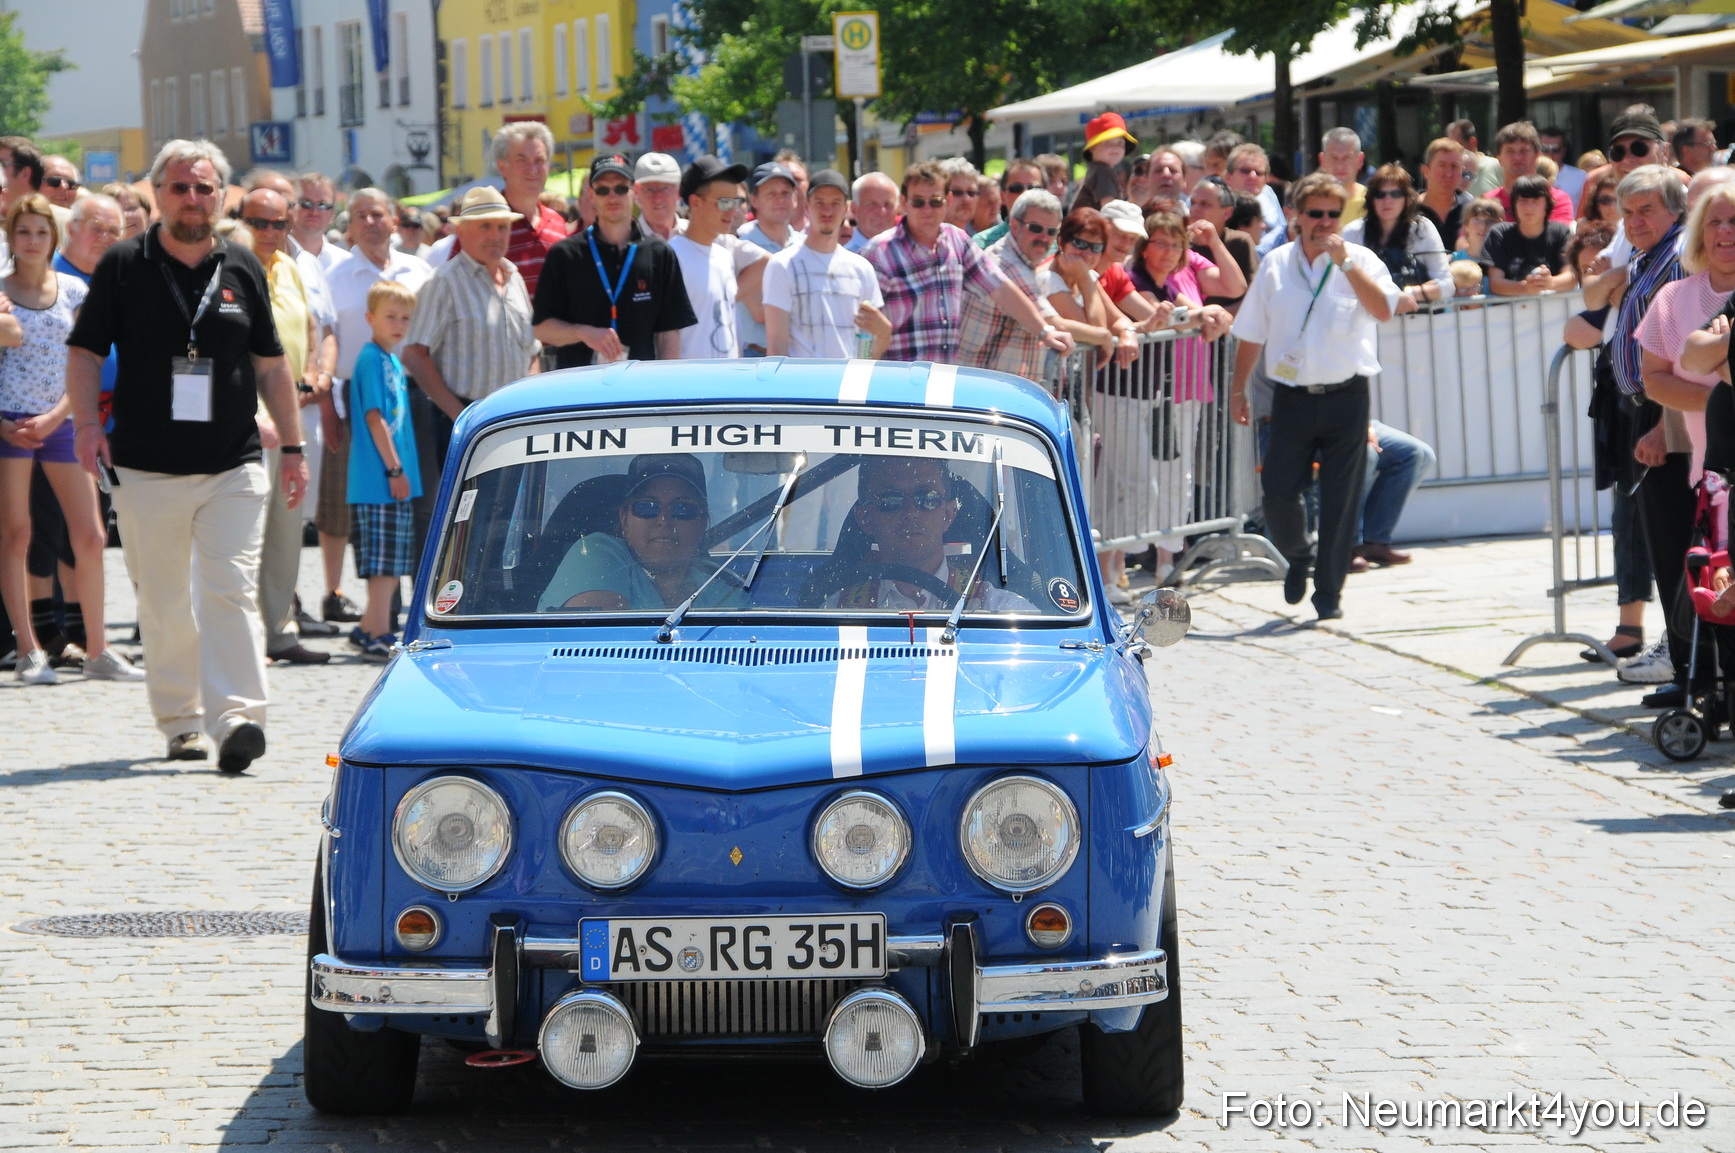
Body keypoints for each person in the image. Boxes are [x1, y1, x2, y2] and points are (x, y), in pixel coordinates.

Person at [66, 138, 308, 770]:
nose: (193, 198)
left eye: (204, 188)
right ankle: (181, 722)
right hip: (145, 467)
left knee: (230, 591)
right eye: (180, 187)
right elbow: (85, 352)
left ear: (220, 195)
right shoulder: (124, 264)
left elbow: (271, 363)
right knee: (165, 599)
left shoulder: (242, 264)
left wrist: (295, 446)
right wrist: (87, 425)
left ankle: (238, 719)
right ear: (158, 194)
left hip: (234, 463)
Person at [1230, 171, 1400, 621]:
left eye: (1332, 214)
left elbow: (1384, 310)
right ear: (1298, 216)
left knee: (1341, 499)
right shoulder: (1275, 264)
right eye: (1315, 213)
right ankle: (1298, 554)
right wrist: (1237, 389)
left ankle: (1329, 593)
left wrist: (1347, 266)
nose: (1324, 222)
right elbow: (1251, 332)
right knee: (1278, 491)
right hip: (1291, 396)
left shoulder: (1361, 259)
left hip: (1347, 396)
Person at [0, 196, 142, 684]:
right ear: (11, 238)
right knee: (17, 533)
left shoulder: (75, 289)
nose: (32, 241)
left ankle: (98, 649)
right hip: (9, 425)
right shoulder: (0, 290)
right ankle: (27, 650)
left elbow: (86, 361)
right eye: (23, 232)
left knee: (91, 535)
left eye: (41, 232)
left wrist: (60, 415)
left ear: (53, 238)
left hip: (60, 422)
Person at [321, 188, 430, 624]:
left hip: (410, 389)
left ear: (394, 220)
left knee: (411, 513)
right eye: (360, 215)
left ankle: (404, 611)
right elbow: (324, 339)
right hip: (357, 394)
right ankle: (377, 617)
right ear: (349, 225)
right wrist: (329, 404)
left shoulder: (419, 269)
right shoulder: (335, 276)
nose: (370, 222)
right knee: (368, 512)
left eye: (378, 214)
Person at [1605, 165, 1690, 701]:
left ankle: (1688, 665)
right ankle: (1686, 659)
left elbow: (1680, 352)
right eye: (1628, 213)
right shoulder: (1645, 256)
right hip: (1644, 406)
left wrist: (1662, 426)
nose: (1635, 222)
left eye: (1647, 211)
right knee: (1663, 544)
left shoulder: (1678, 257)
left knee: (1677, 545)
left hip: (1669, 413)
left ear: (1676, 211)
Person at [862, 161, 1073, 364]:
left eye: (935, 201)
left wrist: (1045, 332)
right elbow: (860, 325)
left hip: (945, 378)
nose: (927, 209)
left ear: (947, 200)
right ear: (904, 202)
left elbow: (1000, 288)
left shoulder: (957, 241)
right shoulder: (878, 253)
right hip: (896, 379)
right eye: (918, 202)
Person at [240, 186, 329, 666]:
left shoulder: (290, 266)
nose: (269, 232)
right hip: (247, 416)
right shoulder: (231, 266)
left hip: (289, 414)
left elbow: (310, 326)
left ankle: (278, 630)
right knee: (248, 532)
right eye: (259, 222)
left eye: (279, 223)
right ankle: (247, 636)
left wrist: (312, 369)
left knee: (286, 527)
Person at [400, 187, 539, 457]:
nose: (495, 235)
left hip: (515, 420)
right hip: (464, 422)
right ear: (461, 232)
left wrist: (530, 401)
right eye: (485, 226)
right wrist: (460, 416)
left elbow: (532, 349)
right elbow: (414, 354)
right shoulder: (443, 282)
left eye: (502, 227)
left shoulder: (514, 278)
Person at [533, 152, 694, 368]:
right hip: (579, 383)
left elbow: (669, 333)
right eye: (603, 190)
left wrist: (667, 381)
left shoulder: (659, 253)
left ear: (635, 191)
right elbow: (541, 328)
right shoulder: (565, 254)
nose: (612, 197)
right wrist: (582, 332)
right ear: (592, 195)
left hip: (639, 383)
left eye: (620, 188)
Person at [539, 453, 747, 611]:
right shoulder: (596, 553)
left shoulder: (723, 594)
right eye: (647, 507)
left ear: (702, 522)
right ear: (624, 518)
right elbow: (601, 642)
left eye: (682, 509)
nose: (664, 520)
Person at [825, 456, 1033, 612]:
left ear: (949, 513)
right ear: (865, 518)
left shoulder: (1003, 613)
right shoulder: (833, 613)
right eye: (890, 500)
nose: (911, 513)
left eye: (927, 498)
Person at [346, 280, 423, 657]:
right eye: (390, 316)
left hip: (394, 480)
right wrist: (394, 469)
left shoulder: (392, 359)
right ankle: (377, 632)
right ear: (370, 317)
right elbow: (374, 417)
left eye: (405, 318)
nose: (398, 324)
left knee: (393, 561)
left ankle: (367, 628)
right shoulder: (370, 359)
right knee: (383, 563)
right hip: (379, 479)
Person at [430, 123, 568, 298]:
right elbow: (455, 286)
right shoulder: (481, 225)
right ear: (502, 167)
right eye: (522, 160)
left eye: (539, 160)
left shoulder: (558, 223)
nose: (532, 169)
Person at [763, 169, 890, 359]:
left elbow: (870, 350)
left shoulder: (862, 269)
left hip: (848, 377)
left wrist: (885, 334)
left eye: (835, 203)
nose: (827, 211)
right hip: (799, 378)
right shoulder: (782, 265)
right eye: (820, 202)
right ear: (807, 206)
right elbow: (776, 347)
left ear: (846, 209)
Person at [954, 188, 1066, 381]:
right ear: (1014, 226)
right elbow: (1054, 324)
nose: (1044, 238)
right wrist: (1106, 337)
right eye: (1035, 228)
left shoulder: (1017, 260)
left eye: (1051, 231)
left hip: (990, 385)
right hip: (980, 387)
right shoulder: (1006, 264)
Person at [668, 154, 759, 360]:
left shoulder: (724, 256)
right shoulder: (672, 257)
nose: (733, 211)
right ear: (695, 203)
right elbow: (665, 336)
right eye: (724, 202)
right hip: (690, 378)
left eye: (736, 202)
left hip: (729, 376)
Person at [1343, 164, 1451, 312]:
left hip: (1419, 321)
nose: (1387, 200)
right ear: (1371, 199)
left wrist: (1408, 293)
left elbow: (1447, 286)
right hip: (1370, 322)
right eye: (1380, 194)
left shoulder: (1422, 228)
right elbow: (1343, 287)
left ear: (1407, 198)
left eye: (1395, 194)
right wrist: (1388, 298)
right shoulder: (1353, 232)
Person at [735, 161, 803, 355]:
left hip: (801, 357)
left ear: (795, 198)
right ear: (754, 200)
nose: (780, 200)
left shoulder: (805, 244)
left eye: (785, 193)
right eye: (771, 194)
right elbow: (759, 312)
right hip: (757, 356)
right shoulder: (742, 246)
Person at [1483, 176, 1574, 296]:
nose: (1529, 207)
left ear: (1547, 204)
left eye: (1536, 200)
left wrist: (1549, 282)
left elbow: (1571, 277)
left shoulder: (1561, 232)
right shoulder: (1499, 233)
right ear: (1514, 204)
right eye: (1523, 200)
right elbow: (1495, 283)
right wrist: (1526, 288)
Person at [1486, 122, 1574, 226]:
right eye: (1510, 151)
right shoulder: (1488, 201)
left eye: (1524, 151)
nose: (1517, 157)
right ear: (1499, 158)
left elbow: (1556, 234)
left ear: (1537, 155)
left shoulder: (1557, 200)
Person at [1185, 180, 1255, 309]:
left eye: (1205, 204)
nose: (1194, 208)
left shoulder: (1239, 242)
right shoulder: (1179, 244)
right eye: (1193, 202)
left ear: (1227, 213)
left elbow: (1254, 296)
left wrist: (1220, 317)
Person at [1418, 138, 1471, 255]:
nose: (1449, 173)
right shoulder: (1409, 209)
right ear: (1425, 171)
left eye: (1455, 166)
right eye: (1442, 166)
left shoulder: (1471, 209)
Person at [1072, 114, 1134, 213]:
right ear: (1093, 147)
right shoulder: (1103, 171)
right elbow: (1110, 208)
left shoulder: (1096, 169)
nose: (1115, 147)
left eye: (1120, 143)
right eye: (1108, 142)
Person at [1225, 142, 1283, 238]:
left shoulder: (1269, 195)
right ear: (1228, 177)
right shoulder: (1218, 203)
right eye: (1245, 171)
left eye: (1258, 172)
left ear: (1266, 179)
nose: (1252, 176)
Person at [291, 172, 343, 273]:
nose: (314, 212)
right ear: (292, 207)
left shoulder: (345, 264)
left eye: (322, 205)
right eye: (306, 203)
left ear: (332, 213)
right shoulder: (274, 258)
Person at [632, 152, 683, 241]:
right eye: (650, 189)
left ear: (679, 192)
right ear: (636, 193)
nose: (658, 199)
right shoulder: (625, 242)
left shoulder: (698, 236)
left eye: (665, 188)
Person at [1446, 119, 1505, 196]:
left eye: (1458, 145)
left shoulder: (1497, 166)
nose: (1453, 150)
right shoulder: (1447, 172)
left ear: (1473, 142)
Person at [849, 171, 901, 253]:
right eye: (872, 204)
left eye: (888, 204)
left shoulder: (911, 255)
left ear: (897, 208)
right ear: (854, 210)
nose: (882, 212)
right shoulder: (841, 259)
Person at [1540, 128, 1587, 207]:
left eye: (1556, 149)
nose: (1550, 154)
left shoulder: (1581, 177)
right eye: (1545, 148)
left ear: (1564, 151)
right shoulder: (1529, 176)